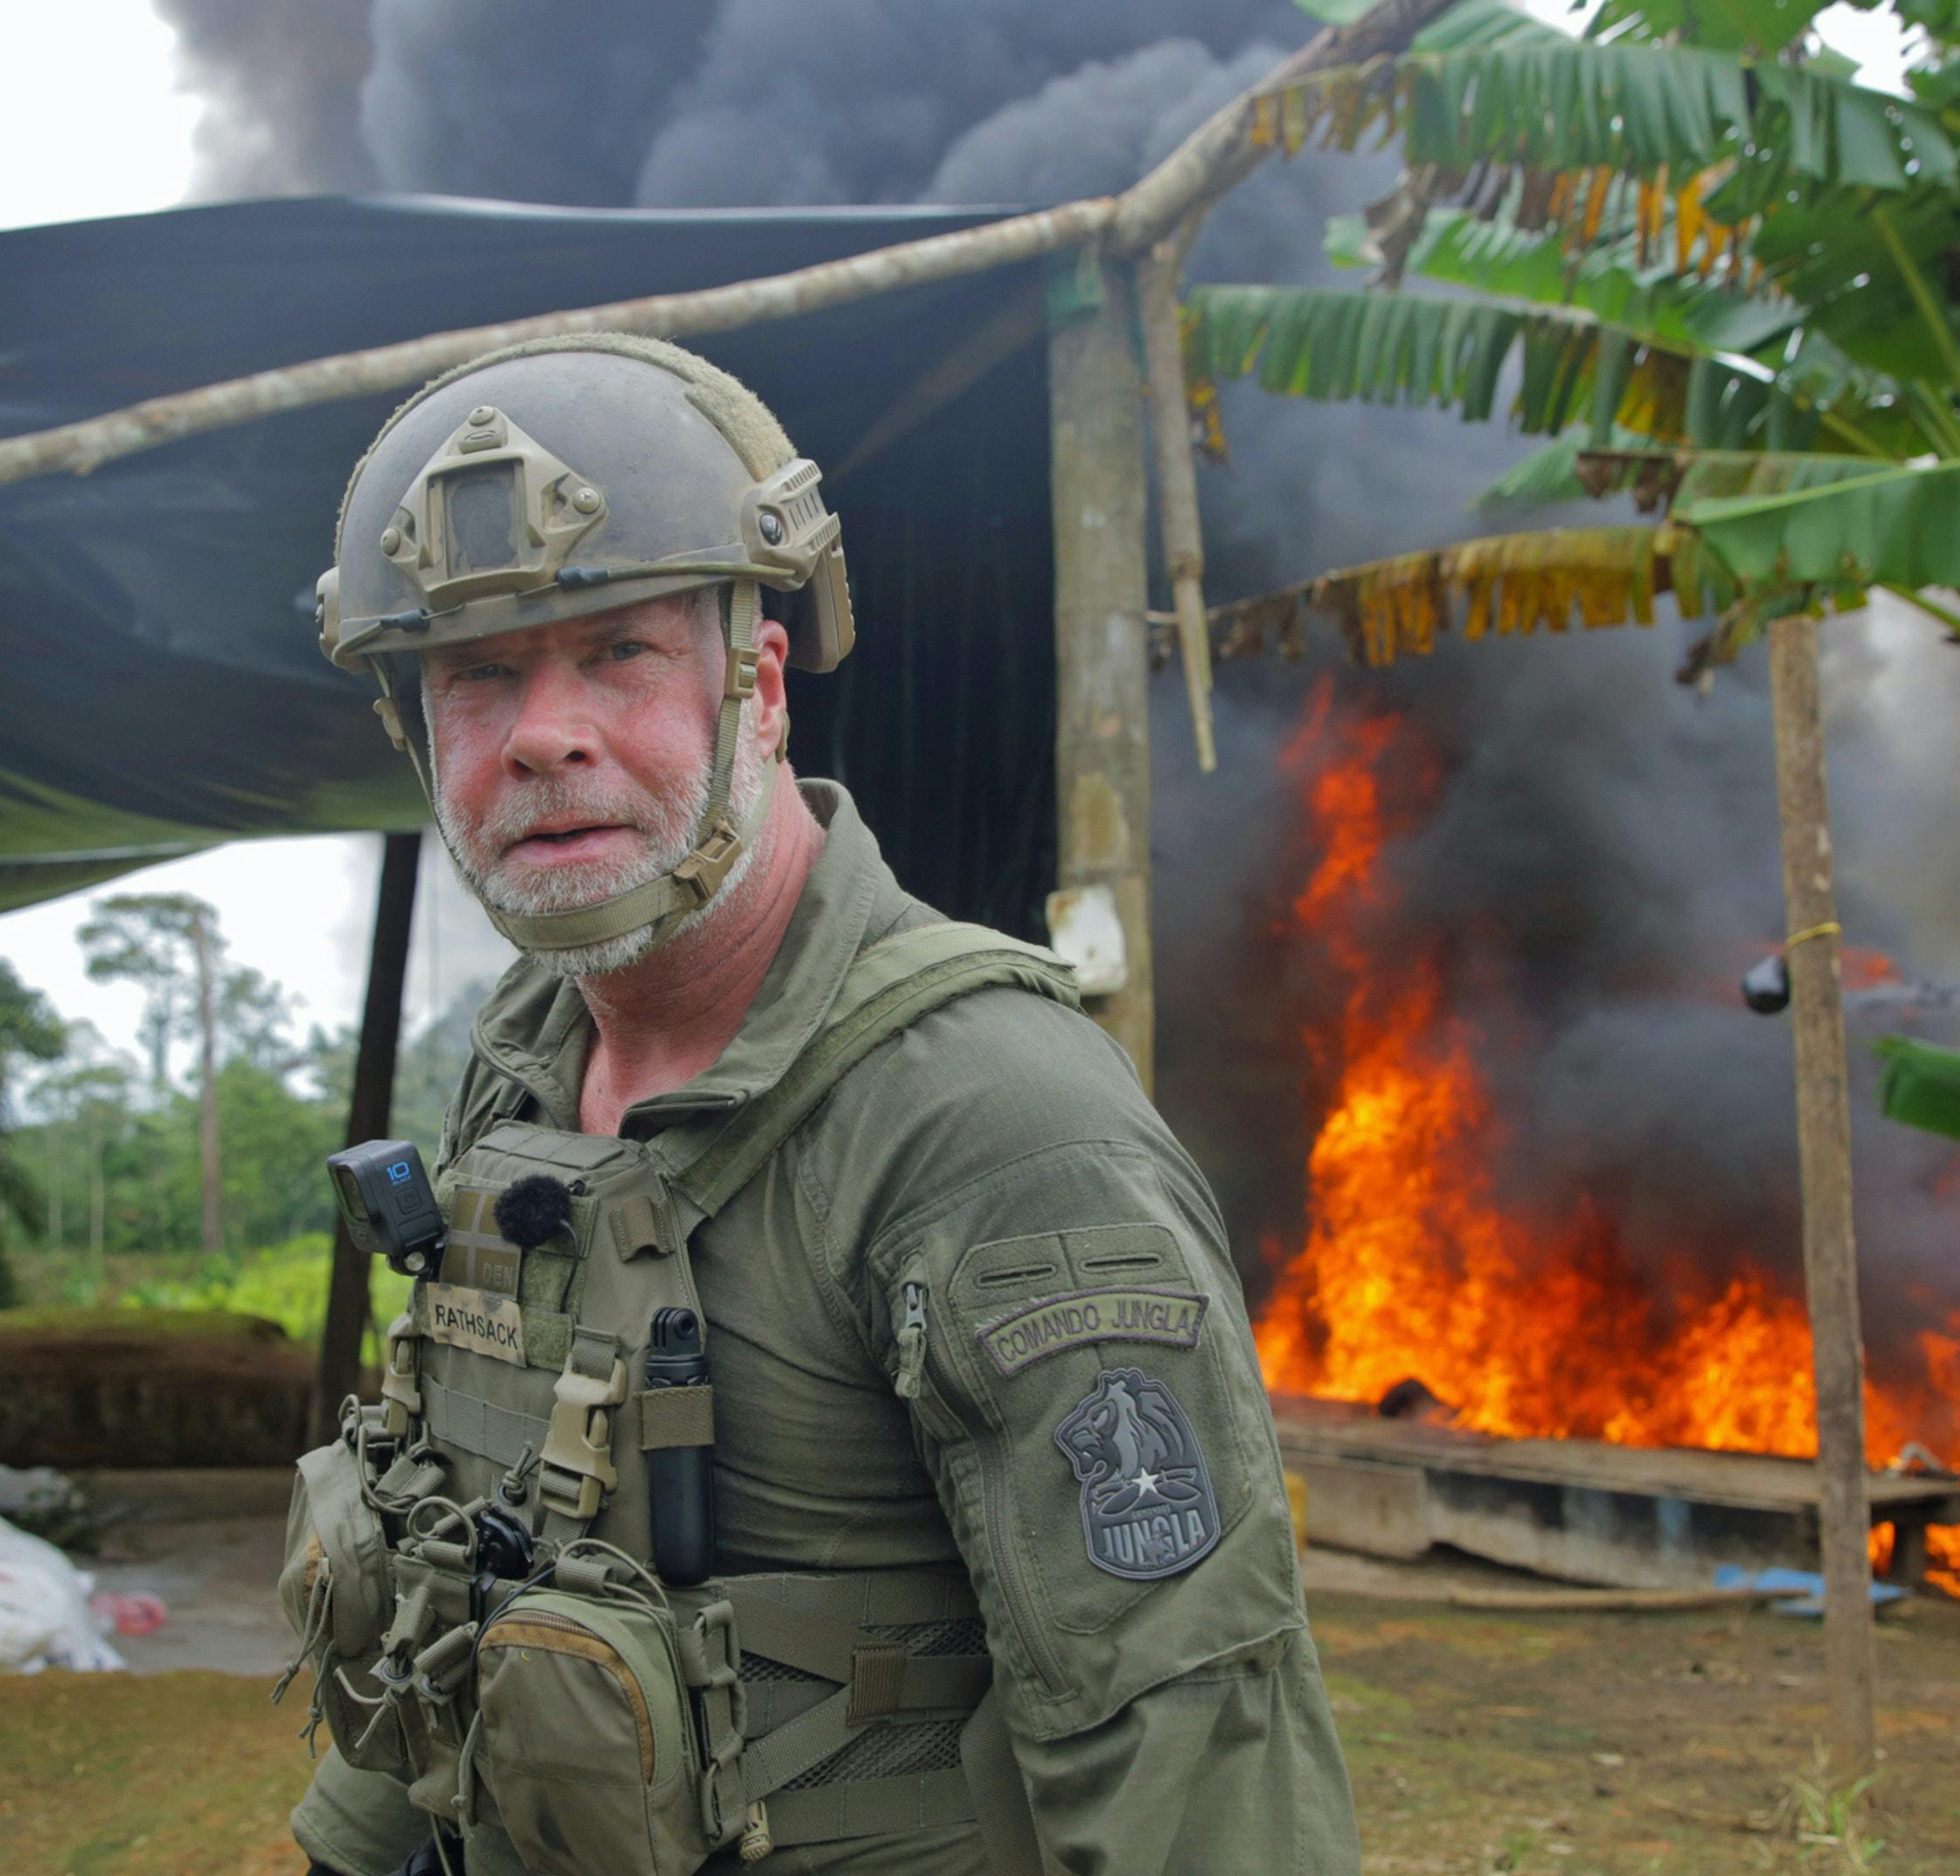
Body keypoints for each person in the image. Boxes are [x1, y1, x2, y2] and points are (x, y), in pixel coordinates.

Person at [280, 333, 1358, 1876]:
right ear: (422, 736)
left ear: (761, 690)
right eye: (478, 680)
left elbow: (1192, 1759)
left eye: (621, 654)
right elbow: (460, 1555)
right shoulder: (525, 1056)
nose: (541, 734)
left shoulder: (991, 1120)